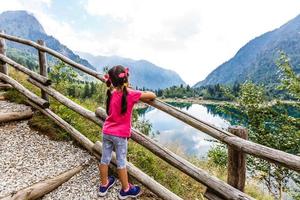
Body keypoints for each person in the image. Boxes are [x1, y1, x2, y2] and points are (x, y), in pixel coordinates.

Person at [98, 65, 156, 199]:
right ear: (126, 79)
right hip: (120, 135)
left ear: (111, 81)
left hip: (107, 131)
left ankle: (103, 185)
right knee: (121, 162)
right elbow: (153, 95)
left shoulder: (111, 93)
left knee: (105, 159)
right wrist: (141, 91)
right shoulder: (130, 93)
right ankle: (125, 189)